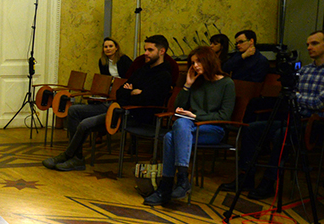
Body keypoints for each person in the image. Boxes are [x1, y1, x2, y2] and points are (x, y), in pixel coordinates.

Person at [44, 34, 174, 172]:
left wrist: (130, 93)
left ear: (162, 51)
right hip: (117, 106)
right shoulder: (143, 69)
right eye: (145, 49)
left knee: (85, 124)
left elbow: (147, 101)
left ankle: (70, 156)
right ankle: (75, 157)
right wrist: (132, 92)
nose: (145, 53)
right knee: (74, 110)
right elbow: (120, 92)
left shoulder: (164, 76)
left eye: (150, 50)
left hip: (131, 115)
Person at [230, 31, 324, 199]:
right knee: (252, 129)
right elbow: (291, 95)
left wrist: (296, 98)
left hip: (315, 123)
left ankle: (268, 182)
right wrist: (296, 98)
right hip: (294, 117)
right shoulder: (305, 70)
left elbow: (319, 103)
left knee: (282, 134)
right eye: (308, 44)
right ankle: (246, 176)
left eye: (314, 43)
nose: (309, 47)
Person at [144, 47, 235, 205]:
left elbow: (224, 116)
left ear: (209, 61)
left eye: (199, 61)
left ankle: (167, 187)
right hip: (190, 128)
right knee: (174, 131)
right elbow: (177, 107)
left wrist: (195, 116)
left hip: (213, 130)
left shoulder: (227, 83)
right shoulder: (197, 82)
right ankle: (181, 180)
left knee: (172, 135)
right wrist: (187, 85)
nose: (195, 66)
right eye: (193, 63)